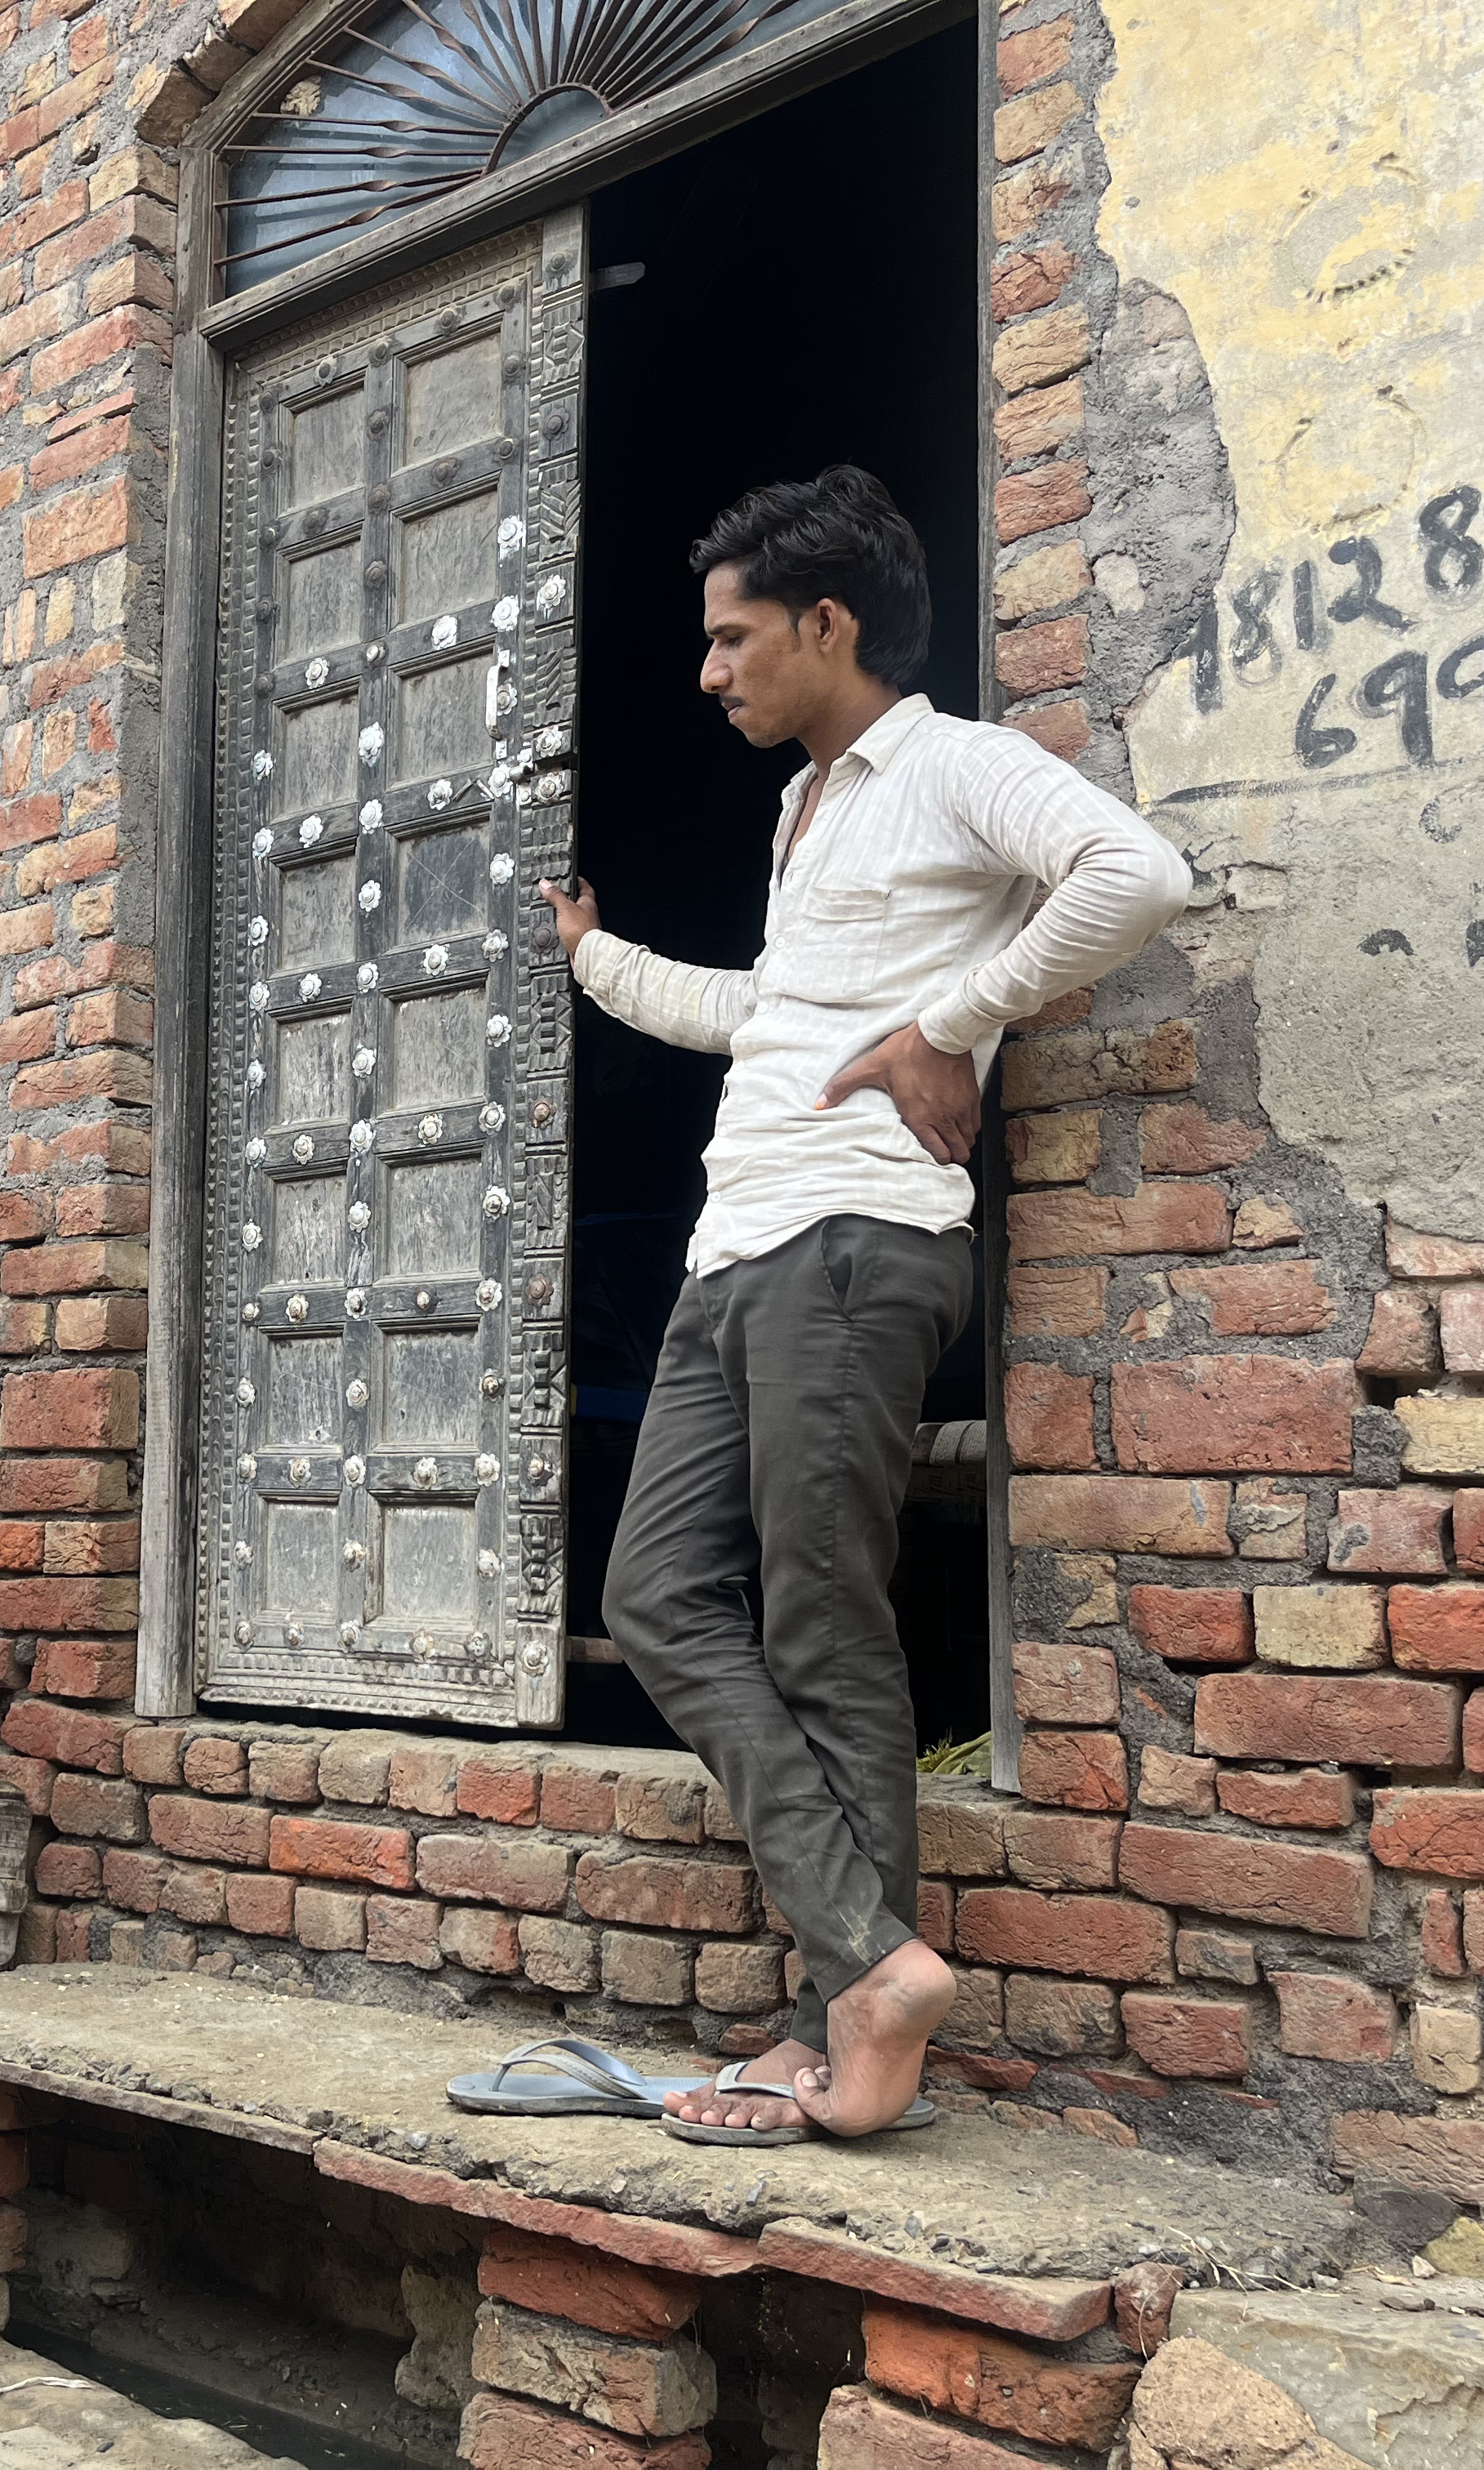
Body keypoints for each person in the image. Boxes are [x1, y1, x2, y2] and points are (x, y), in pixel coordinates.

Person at [539, 469, 1191, 2146]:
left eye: (734, 637)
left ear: (830, 625)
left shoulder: (956, 765)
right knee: (663, 1596)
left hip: (856, 1242)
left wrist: (952, 1024)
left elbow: (1132, 876)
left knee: (823, 1621)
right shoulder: (807, 808)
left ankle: (858, 2020)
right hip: (735, 1246)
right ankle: (873, 1965)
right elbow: (781, 1009)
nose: (709, 672)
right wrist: (601, 964)